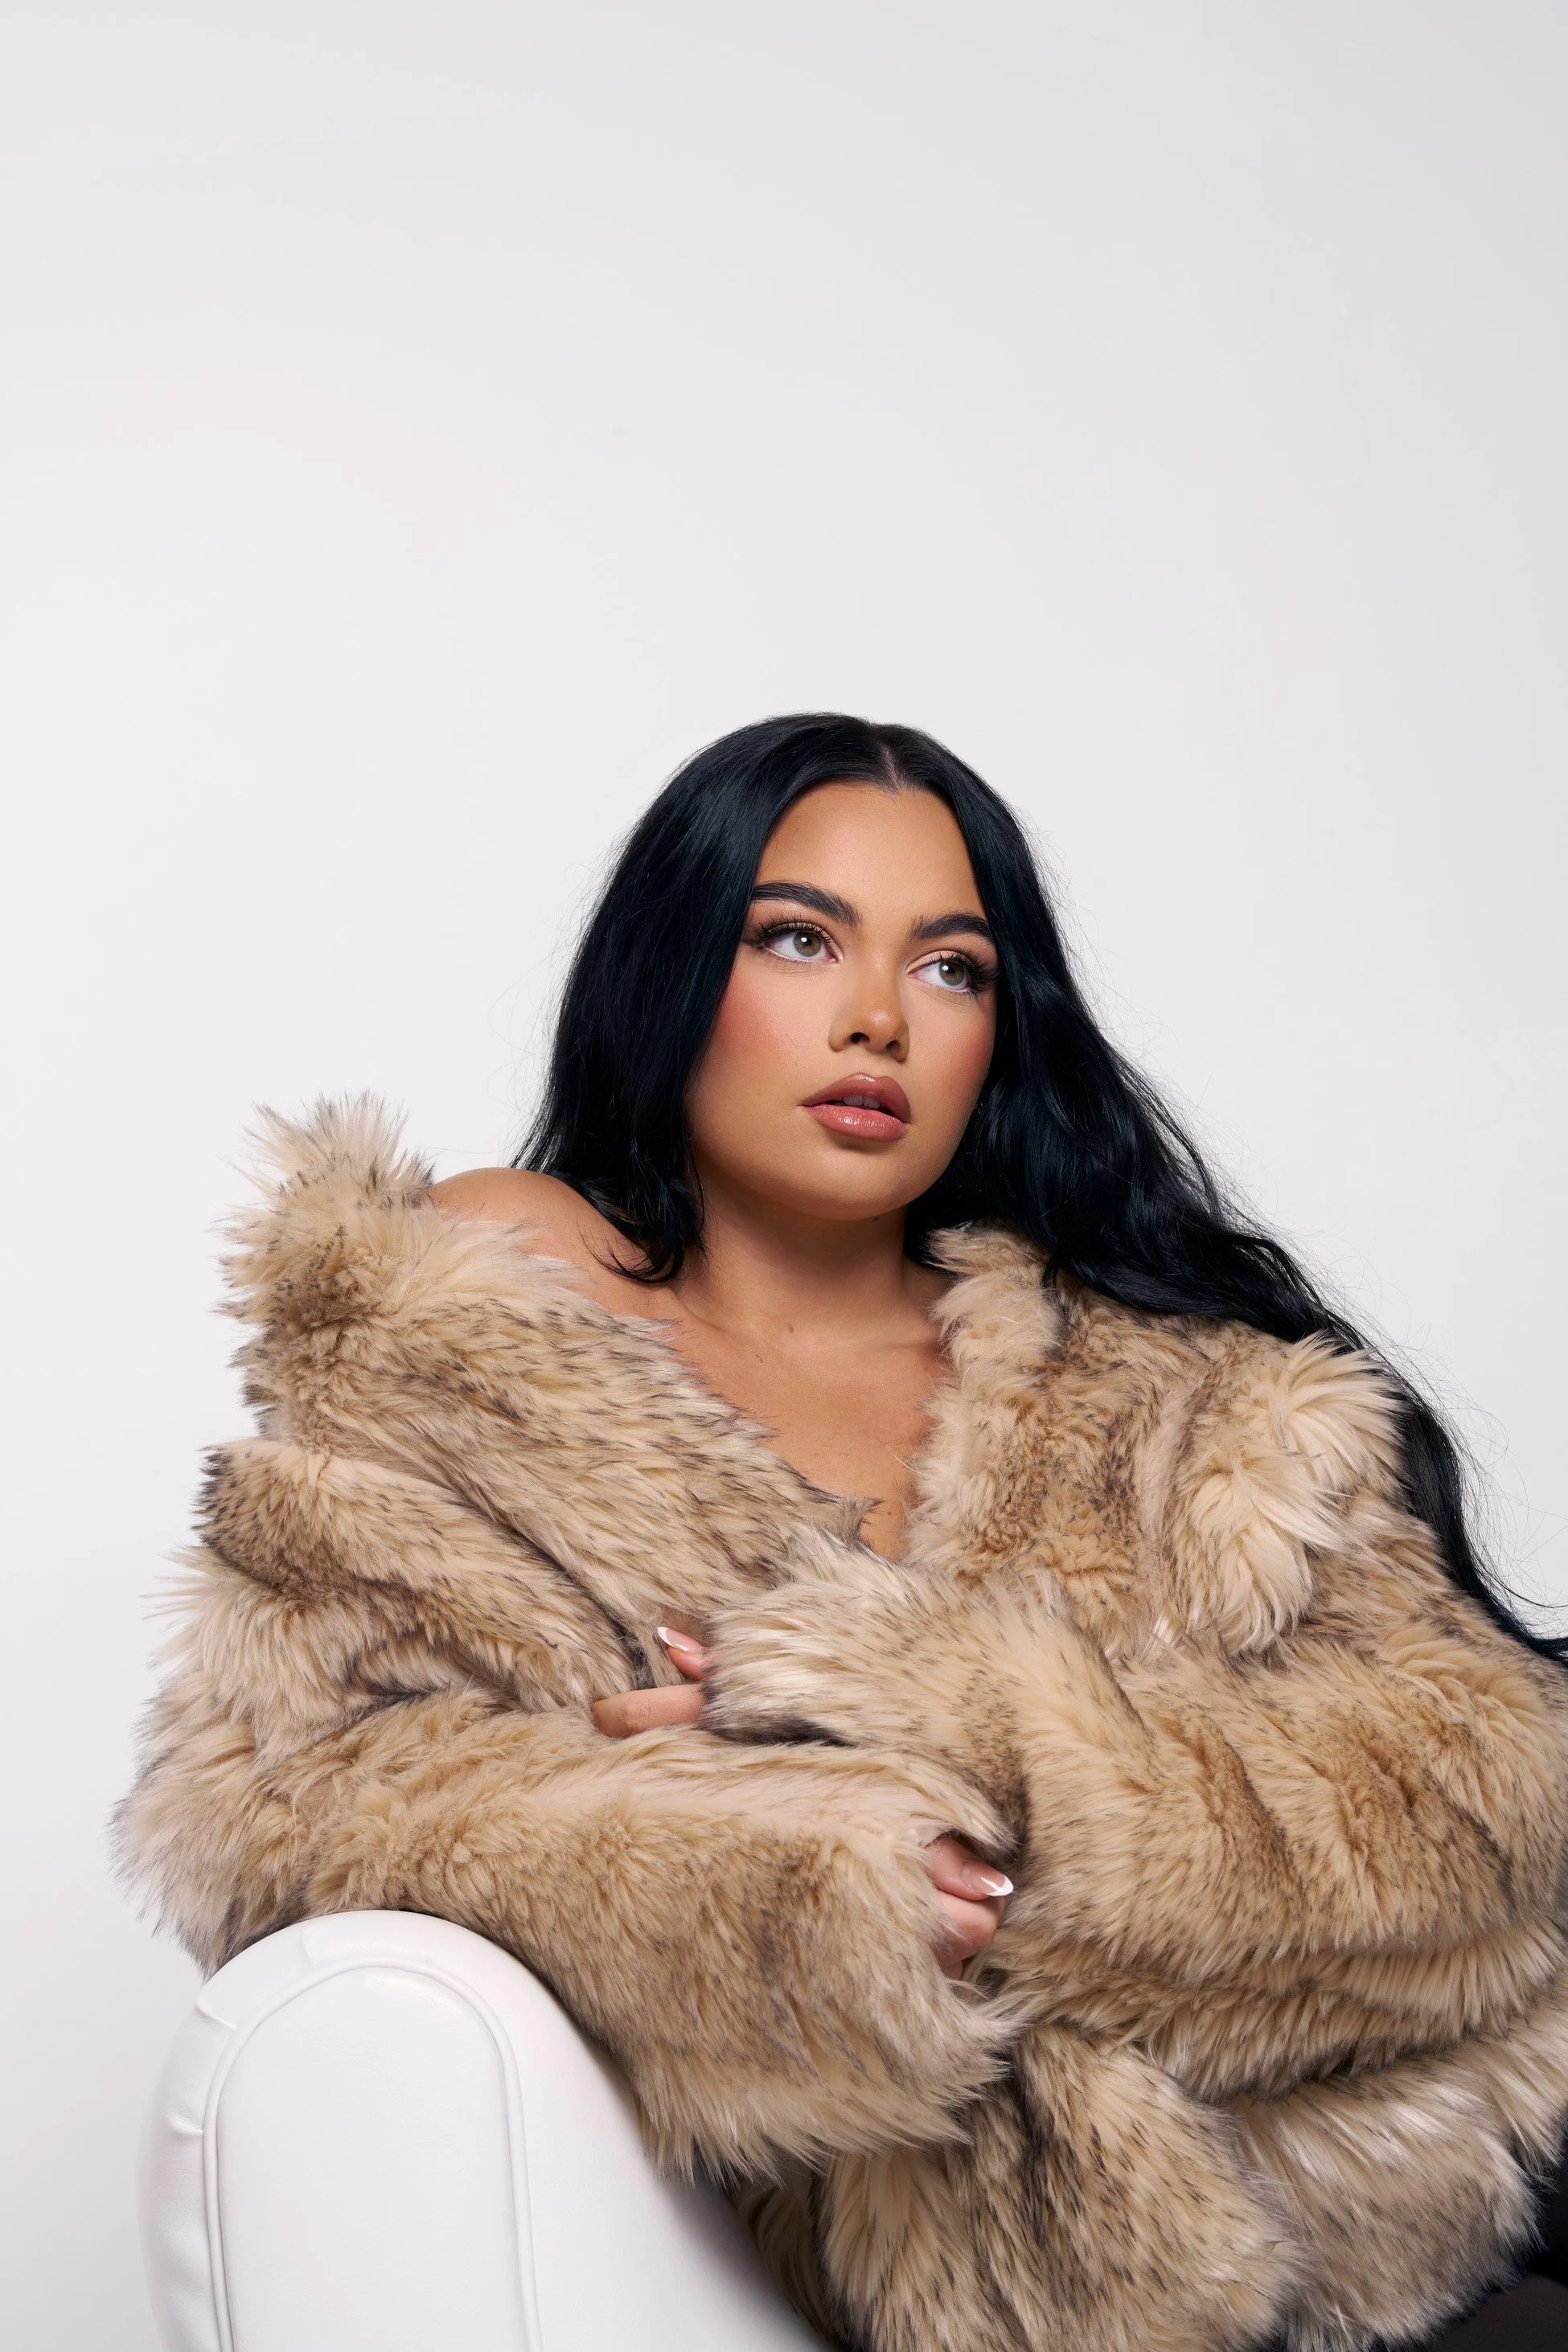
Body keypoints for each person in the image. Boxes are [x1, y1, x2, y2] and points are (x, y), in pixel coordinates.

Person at [120, 715, 1568, 2351]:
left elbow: (1486, 1791)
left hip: (1364, 2262)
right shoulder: (484, 1338)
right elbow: (284, 1808)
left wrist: (974, 1763)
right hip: (881, 2271)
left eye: (951, 969)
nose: (876, 1016)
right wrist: (817, 1873)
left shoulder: (1186, 1390)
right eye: (798, 939)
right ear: (675, 972)